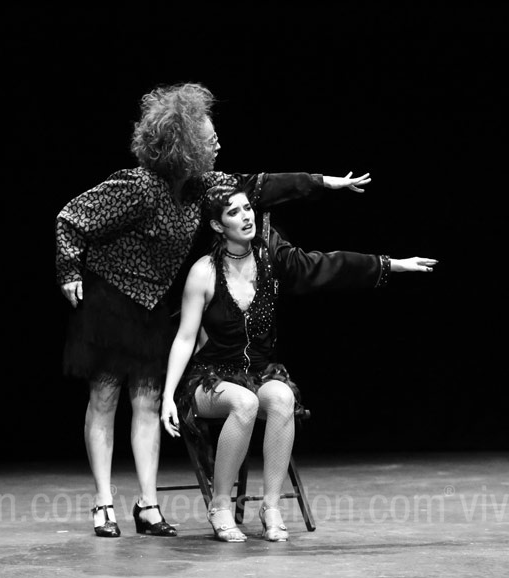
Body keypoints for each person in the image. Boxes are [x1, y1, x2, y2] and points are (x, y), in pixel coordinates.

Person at [55, 82, 372, 538]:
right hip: (110, 299)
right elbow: (71, 217)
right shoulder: (136, 186)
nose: (217, 143)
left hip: (152, 302)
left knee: (146, 402)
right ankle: (104, 502)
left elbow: (259, 186)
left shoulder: (203, 187)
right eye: (208, 138)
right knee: (105, 398)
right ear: (184, 147)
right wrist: (69, 270)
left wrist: (322, 182)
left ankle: (147, 505)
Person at [160, 184, 437, 542]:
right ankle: (220, 505)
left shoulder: (270, 260)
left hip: (257, 375)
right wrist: (168, 397)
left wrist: (391, 264)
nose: (246, 217)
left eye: (248, 208)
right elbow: (185, 338)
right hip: (209, 381)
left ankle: (270, 506)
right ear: (217, 225)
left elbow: (328, 265)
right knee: (244, 402)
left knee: (282, 397)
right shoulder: (204, 272)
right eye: (234, 212)